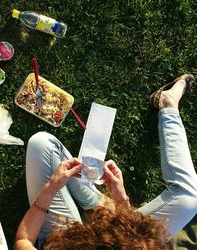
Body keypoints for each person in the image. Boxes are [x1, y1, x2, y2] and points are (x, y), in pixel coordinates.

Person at [15, 74, 197, 250]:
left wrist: (52, 187)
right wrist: (121, 202)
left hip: (59, 243)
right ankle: (167, 104)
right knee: (189, 197)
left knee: (42, 144)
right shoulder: (137, 244)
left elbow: (23, 240)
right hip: (130, 237)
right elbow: (132, 236)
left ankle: (98, 202)